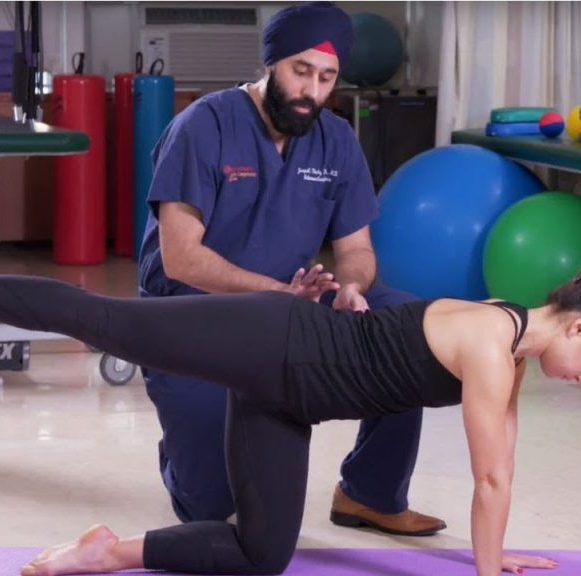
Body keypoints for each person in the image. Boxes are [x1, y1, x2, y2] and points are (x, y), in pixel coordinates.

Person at [0, 249, 581, 576]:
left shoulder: (509, 344)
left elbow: (501, 463)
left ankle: (107, 551)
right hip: (274, 342)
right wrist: (487, 572)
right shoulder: (491, 343)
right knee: (110, 322)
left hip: (289, 400)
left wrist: (497, 553)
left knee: (262, 555)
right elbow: (489, 480)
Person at [136, 1, 441, 535]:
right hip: (191, 315)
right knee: (210, 508)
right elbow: (181, 258)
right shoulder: (203, 126)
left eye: (326, 77)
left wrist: (351, 287)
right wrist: (276, 292)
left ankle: (369, 492)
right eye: (301, 71)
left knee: (409, 326)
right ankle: (181, 453)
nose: (312, 91)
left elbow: (357, 249)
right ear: (271, 63)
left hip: (290, 307)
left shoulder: (336, 139)